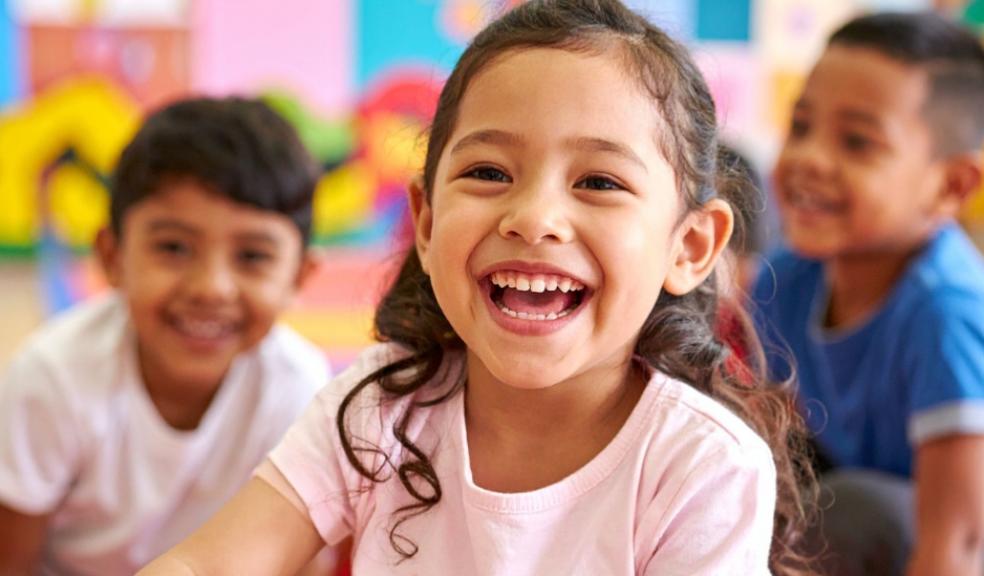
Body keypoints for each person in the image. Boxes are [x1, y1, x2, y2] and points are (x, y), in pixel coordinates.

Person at [139, 1, 815, 574]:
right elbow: (208, 562)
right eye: (489, 172)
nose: (533, 218)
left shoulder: (704, 465)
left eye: (599, 182)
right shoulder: (382, 403)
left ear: (690, 246)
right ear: (426, 223)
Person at [0, 96, 332, 575]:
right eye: (173, 247)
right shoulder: (52, 378)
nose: (210, 288)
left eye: (253, 256)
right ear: (112, 257)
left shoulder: (297, 386)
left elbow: (299, 562)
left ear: (299, 276)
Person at [751, 12, 984, 576]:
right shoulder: (787, 278)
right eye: (800, 126)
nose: (808, 158)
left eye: (857, 142)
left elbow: (961, 546)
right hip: (885, 516)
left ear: (950, 185)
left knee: (855, 509)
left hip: (948, 535)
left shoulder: (946, 312)